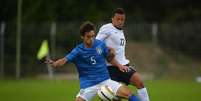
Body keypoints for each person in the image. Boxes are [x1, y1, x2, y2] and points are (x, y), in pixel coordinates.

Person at [45, 21, 139, 101]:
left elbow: (109, 58)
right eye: (88, 37)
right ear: (82, 37)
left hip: (106, 81)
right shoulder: (78, 51)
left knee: (129, 94)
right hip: (88, 85)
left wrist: (119, 65)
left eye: (93, 36)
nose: (91, 39)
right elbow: (64, 60)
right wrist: (55, 63)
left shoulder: (100, 45)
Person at [96, 8, 150, 101]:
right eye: (118, 19)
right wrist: (108, 50)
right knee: (112, 97)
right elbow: (96, 45)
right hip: (109, 69)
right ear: (112, 19)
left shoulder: (121, 31)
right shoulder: (107, 28)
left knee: (139, 82)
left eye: (122, 19)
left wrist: (121, 64)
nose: (120, 21)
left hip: (124, 66)